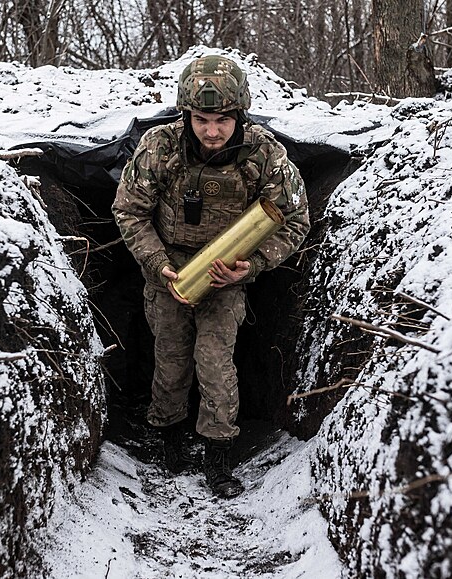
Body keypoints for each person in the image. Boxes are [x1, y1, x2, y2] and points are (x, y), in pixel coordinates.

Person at [112, 55, 310, 498]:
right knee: (170, 359)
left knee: (215, 362)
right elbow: (129, 211)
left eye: (222, 120)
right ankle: (168, 437)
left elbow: (296, 219)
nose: (213, 132)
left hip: (226, 276)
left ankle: (218, 454)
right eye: (201, 120)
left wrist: (253, 266)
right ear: (186, 115)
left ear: (239, 115)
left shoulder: (263, 153)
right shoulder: (159, 146)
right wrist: (157, 263)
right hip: (168, 270)